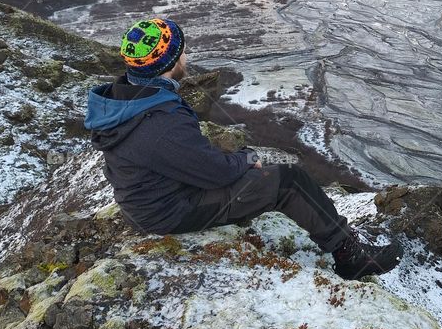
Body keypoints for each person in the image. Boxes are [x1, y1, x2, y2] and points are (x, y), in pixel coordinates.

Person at [84, 17, 402, 279]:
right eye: (182, 51)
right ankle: (350, 255)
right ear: (169, 62)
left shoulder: (127, 97)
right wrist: (246, 158)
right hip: (169, 212)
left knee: (257, 172)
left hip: (147, 201)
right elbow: (214, 173)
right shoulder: (159, 119)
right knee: (289, 181)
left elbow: (182, 156)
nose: (186, 56)